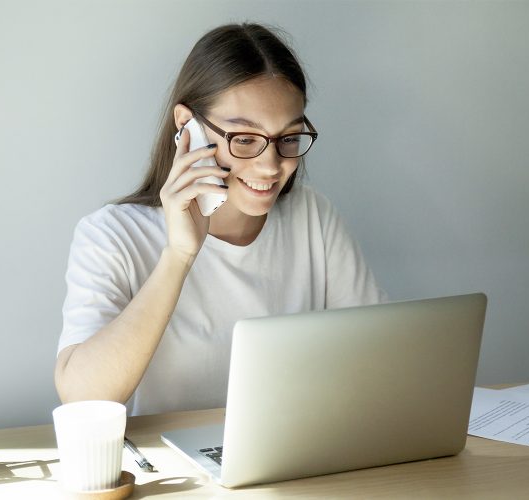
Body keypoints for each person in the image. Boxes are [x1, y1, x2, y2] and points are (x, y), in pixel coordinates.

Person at [54, 23, 386, 415]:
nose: (270, 166)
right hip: (176, 470)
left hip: (294, 461)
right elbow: (82, 398)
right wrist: (179, 256)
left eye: (289, 139)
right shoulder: (111, 235)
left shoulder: (313, 217)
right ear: (187, 126)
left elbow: (378, 360)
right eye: (245, 139)